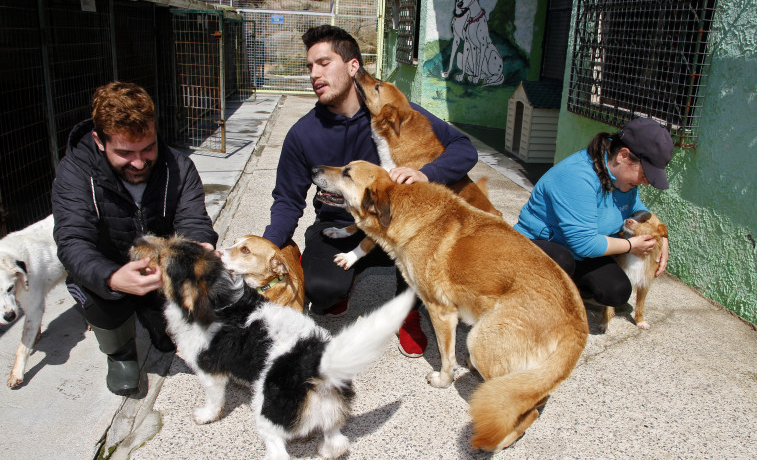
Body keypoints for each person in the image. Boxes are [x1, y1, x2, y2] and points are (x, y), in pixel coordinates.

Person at [262, 25, 479, 358]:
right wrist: (268, 246)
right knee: (322, 291)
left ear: (352, 68)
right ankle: (342, 286)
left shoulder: (389, 114)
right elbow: (287, 201)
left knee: (423, 243)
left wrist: (425, 172)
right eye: (309, 67)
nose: (314, 74)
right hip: (339, 224)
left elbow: (464, 148)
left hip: (393, 224)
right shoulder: (302, 133)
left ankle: (406, 312)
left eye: (323, 63)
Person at [52, 81, 218, 396]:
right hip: (109, 266)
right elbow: (72, 241)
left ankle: (157, 321)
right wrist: (112, 277)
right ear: (99, 141)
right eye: (125, 153)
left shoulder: (178, 167)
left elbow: (193, 219)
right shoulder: (75, 173)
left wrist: (199, 246)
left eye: (148, 148)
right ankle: (121, 353)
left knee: (184, 302)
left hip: (160, 270)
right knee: (97, 293)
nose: (139, 163)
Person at [513, 117, 672, 309]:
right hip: (541, 244)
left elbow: (638, 208)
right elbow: (584, 243)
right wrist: (630, 245)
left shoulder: (623, 179)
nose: (645, 183)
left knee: (617, 291)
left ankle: (569, 287)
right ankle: (529, 292)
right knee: (562, 261)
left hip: (580, 253)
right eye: (645, 175)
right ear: (623, 155)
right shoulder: (578, 176)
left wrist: (663, 237)